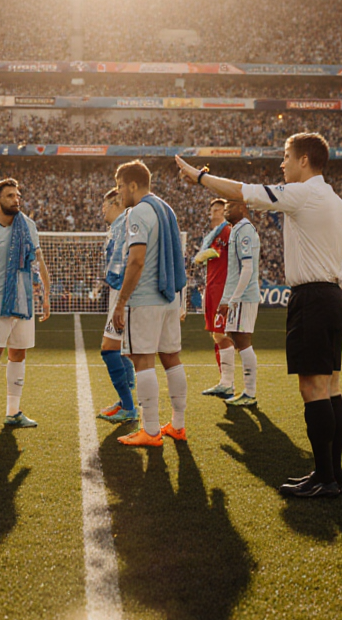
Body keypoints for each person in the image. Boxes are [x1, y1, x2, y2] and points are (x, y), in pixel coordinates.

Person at [176, 133, 342, 498]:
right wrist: (338, 305)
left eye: (286, 156)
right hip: (335, 297)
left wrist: (199, 177)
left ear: (304, 160)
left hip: (314, 297)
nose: (282, 163)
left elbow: (244, 191)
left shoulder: (305, 193)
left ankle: (324, 478)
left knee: (314, 388)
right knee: (332, 386)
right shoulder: (337, 202)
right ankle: (333, 475)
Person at [110, 160, 190, 447]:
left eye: (120, 186)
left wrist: (120, 303)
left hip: (145, 299)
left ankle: (152, 431)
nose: (119, 193)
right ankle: (178, 425)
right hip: (169, 297)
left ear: (133, 184)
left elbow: (137, 259)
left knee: (143, 360)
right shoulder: (165, 208)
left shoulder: (139, 212)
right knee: (171, 357)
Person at [0, 178, 51, 429]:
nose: (16, 199)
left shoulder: (28, 225)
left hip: (23, 301)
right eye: (9, 196)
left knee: (18, 355)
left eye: (17, 195)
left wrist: (46, 296)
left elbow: (39, 260)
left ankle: (13, 412)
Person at [96, 187, 138, 423]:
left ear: (116, 204)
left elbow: (130, 261)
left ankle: (130, 406)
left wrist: (122, 299)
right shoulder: (116, 227)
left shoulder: (125, 225)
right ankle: (126, 401)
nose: (102, 209)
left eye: (105, 204)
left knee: (109, 349)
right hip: (118, 293)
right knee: (119, 349)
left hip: (124, 294)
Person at [192, 198, 238, 399]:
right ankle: (224, 381)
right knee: (216, 335)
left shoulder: (226, 231)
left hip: (222, 288)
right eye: (213, 210)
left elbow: (217, 254)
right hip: (212, 287)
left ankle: (228, 383)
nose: (215, 213)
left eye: (219, 210)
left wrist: (203, 254)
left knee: (221, 335)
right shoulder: (213, 234)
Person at [218, 199, 262, 408]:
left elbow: (247, 269)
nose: (226, 208)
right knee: (235, 337)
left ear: (243, 207)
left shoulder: (245, 230)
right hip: (238, 296)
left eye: (230, 205)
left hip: (244, 297)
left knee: (243, 340)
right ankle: (246, 390)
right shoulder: (237, 229)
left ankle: (250, 392)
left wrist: (233, 299)